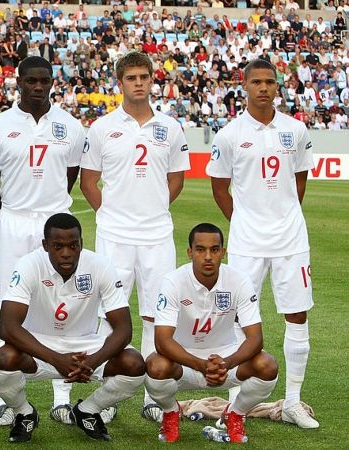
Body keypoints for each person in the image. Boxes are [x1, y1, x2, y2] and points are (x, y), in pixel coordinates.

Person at [207, 58, 319, 429]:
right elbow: (219, 187)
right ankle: (234, 402)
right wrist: (243, 222)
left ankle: (293, 400)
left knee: (297, 313)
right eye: (256, 82)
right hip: (247, 241)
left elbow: (298, 182)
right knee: (237, 317)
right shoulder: (230, 134)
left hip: (290, 238)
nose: (264, 88)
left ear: (278, 86)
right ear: (244, 86)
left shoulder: (296, 130)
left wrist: (282, 215)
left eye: (269, 81)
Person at [80, 50, 190, 422]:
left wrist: (154, 207)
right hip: (115, 234)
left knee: (155, 315)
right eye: (131, 78)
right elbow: (88, 180)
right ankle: (108, 396)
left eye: (144, 76)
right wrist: (110, 212)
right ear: (120, 82)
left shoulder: (171, 127)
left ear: (152, 79)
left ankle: (151, 394)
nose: (138, 82)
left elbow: (176, 179)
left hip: (157, 233)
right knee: (111, 314)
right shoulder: (102, 126)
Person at [0, 56, 85, 427]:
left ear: (53, 82)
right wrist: (12, 213)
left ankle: (62, 395)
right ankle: (9, 397)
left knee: (64, 305)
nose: (38, 87)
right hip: (14, 223)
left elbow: (69, 175)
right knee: (9, 309)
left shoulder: (70, 127)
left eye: (44, 80)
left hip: (57, 227)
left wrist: (48, 217)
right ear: (18, 82)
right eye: (31, 81)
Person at [0, 213, 146, 443]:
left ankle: (88, 410)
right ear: (45, 245)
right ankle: (23, 413)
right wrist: (56, 359)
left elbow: (124, 329)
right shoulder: (29, 264)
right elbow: (8, 327)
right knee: (2, 358)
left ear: (81, 244)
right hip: (38, 344)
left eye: (73, 245)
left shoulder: (100, 266)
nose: (66, 253)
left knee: (134, 364)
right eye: (58, 246)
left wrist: (92, 362)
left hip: (85, 344)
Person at [145, 223, 278, 443]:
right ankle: (170, 411)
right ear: (190, 252)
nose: (208, 256)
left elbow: (255, 337)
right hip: (184, 361)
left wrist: (227, 362)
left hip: (225, 361)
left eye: (214, 250)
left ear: (223, 253)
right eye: (200, 249)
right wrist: (200, 365)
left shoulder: (239, 281)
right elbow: (162, 341)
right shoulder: (173, 282)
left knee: (267, 364)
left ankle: (235, 413)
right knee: (155, 365)